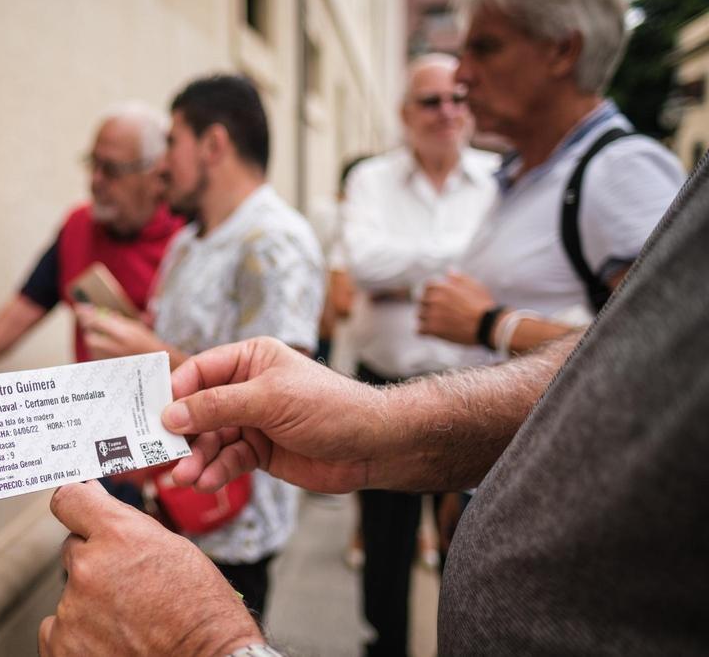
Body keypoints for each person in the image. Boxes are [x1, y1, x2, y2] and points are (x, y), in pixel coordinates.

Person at [38, 148, 709, 655]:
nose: (464, 85)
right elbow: (628, 357)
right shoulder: (191, 237)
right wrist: (386, 425)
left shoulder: (271, 237)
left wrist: (206, 642)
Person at [74, 74, 324, 621]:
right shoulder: (190, 239)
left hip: (230, 519)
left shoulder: (275, 241)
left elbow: (287, 397)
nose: (162, 163)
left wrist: (152, 354)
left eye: (172, 142)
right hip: (171, 497)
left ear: (213, 145)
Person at [418, 0, 684, 359]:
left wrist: (490, 324)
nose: (461, 75)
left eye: (485, 48)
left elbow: (670, 348)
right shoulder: (527, 169)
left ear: (563, 51)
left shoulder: (620, 170)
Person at [338, 53, 499, 657]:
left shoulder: (499, 177)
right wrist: (461, 266)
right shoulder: (370, 180)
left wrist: (402, 275)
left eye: (458, 97)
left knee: (474, 546)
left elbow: (502, 271)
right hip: (387, 388)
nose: (447, 112)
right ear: (406, 113)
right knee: (385, 546)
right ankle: (386, 645)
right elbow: (361, 261)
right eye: (431, 101)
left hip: (479, 392)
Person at [0, 102, 183, 395]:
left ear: (156, 175)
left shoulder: (190, 237)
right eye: (92, 164)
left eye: (111, 169)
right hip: (101, 407)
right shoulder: (78, 226)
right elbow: (26, 306)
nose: (95, 180)